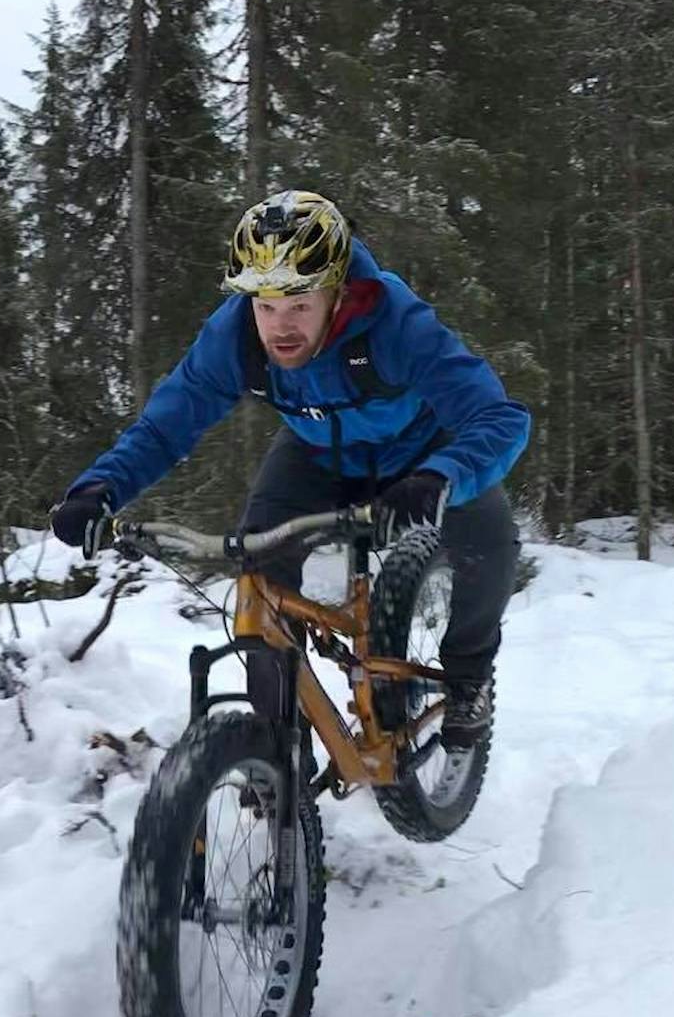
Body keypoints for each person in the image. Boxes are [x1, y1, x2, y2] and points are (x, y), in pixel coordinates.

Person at [52, 189, 529, 750]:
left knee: (491, 541)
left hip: (422, 455)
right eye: (265, 306)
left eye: (300, 305)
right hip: (316, 456)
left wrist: (442, 475)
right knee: (259, 567)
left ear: (337, 291)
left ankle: (470, 677)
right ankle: (277, 743)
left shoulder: (393, 320)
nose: (280, 327)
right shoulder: (235, 336)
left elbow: (498, 416)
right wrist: (100, 488)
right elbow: (165, 426)